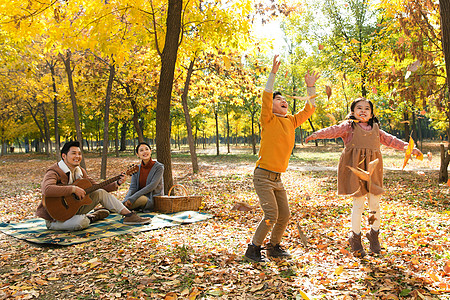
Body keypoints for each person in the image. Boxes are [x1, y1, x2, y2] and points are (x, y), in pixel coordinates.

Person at [305, 97, 422, 257]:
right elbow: (333, 130)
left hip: (373, 170)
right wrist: (316, 134)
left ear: (372, 113)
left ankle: (374, 235)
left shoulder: (376, 129)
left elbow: (390, 140)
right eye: (359, 108)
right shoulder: (349, 127)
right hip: (356, 169)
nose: (363, 111)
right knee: (358, 204)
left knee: (374, 203)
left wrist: (409, 148)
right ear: (352, 112)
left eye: (367, 108)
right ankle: (356, 237)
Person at [244, 55, 320, 263]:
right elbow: (266, 95)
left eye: (284, 100)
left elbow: (309, 108)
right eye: (279, 100)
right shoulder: (267, 119)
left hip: (278, 178)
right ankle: (253, 248)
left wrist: (310, 88)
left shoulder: (291, 121)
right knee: (271, 215)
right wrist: (273, 74)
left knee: (283, 215)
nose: (283, 101)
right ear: (272, 106)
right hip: (262, 176)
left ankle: (274, 247)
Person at [36, 141, 151, 231]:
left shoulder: (80, 171)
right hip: (54, 217)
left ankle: (129, 215)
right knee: (81, 223)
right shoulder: (54, 171)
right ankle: (92, 217)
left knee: (99, 192)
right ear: (64, 156)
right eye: (74, 153)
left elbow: (97, 186)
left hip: (73, 209)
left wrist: (117, 183)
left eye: (79, 153)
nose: (77, 156)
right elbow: (47, 189)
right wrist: (73, 189)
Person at [123, 142, 164, 212]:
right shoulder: (136, 168)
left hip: (152, 199)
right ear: (137, 154)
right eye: (141, 150)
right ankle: (113, 208)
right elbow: (132, 188)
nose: (144, 152)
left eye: (146, 149)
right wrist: (126, 199)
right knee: (125, 203)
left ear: (150, 151)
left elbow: (152, 186)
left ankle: (116, 209)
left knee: (130, 204)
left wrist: (132, 198)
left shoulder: (159, 167)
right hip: (138, 196)